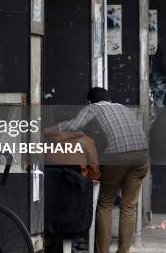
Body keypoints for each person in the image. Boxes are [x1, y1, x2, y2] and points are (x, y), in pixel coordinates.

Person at [48, 87, 148, 253]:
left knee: (105, 203)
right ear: (109, 99)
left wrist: (46, 130)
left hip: (118, 156)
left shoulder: (93, 107)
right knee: (129, 206)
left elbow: (74, 125)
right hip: (142, 157)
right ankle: (123, 251)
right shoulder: (123, 107)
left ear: (89, 101)